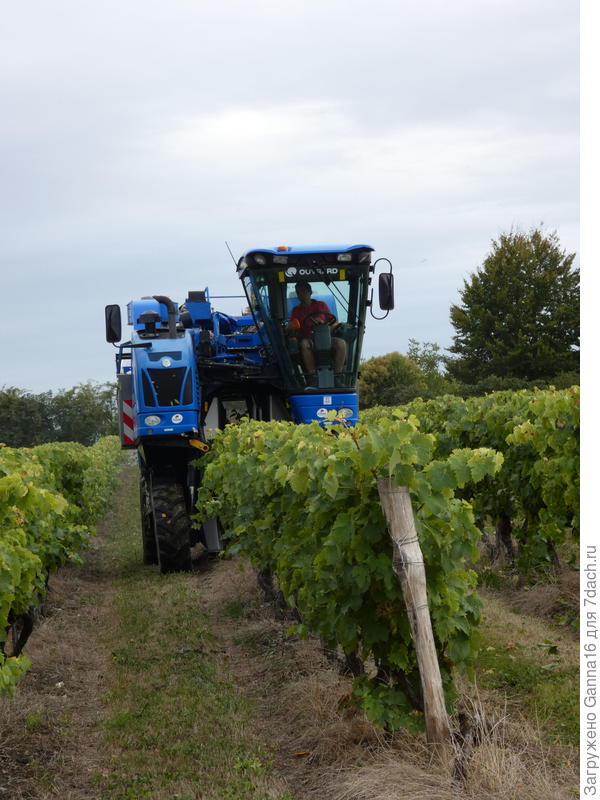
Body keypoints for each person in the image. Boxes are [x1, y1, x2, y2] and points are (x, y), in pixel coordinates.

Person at [286, 280, 347, 376]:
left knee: (341, 343)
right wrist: (290, 326)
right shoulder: (296, 310)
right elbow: (292, 325)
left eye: (303, 291)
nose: (301, 294)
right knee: (304, 344)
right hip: (309, 340)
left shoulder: (321, 305)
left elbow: (333, 322)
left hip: (326, 339)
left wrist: (323, 323)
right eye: (298, 292)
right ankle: (313, 375)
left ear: (310, 292)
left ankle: (337, 375)